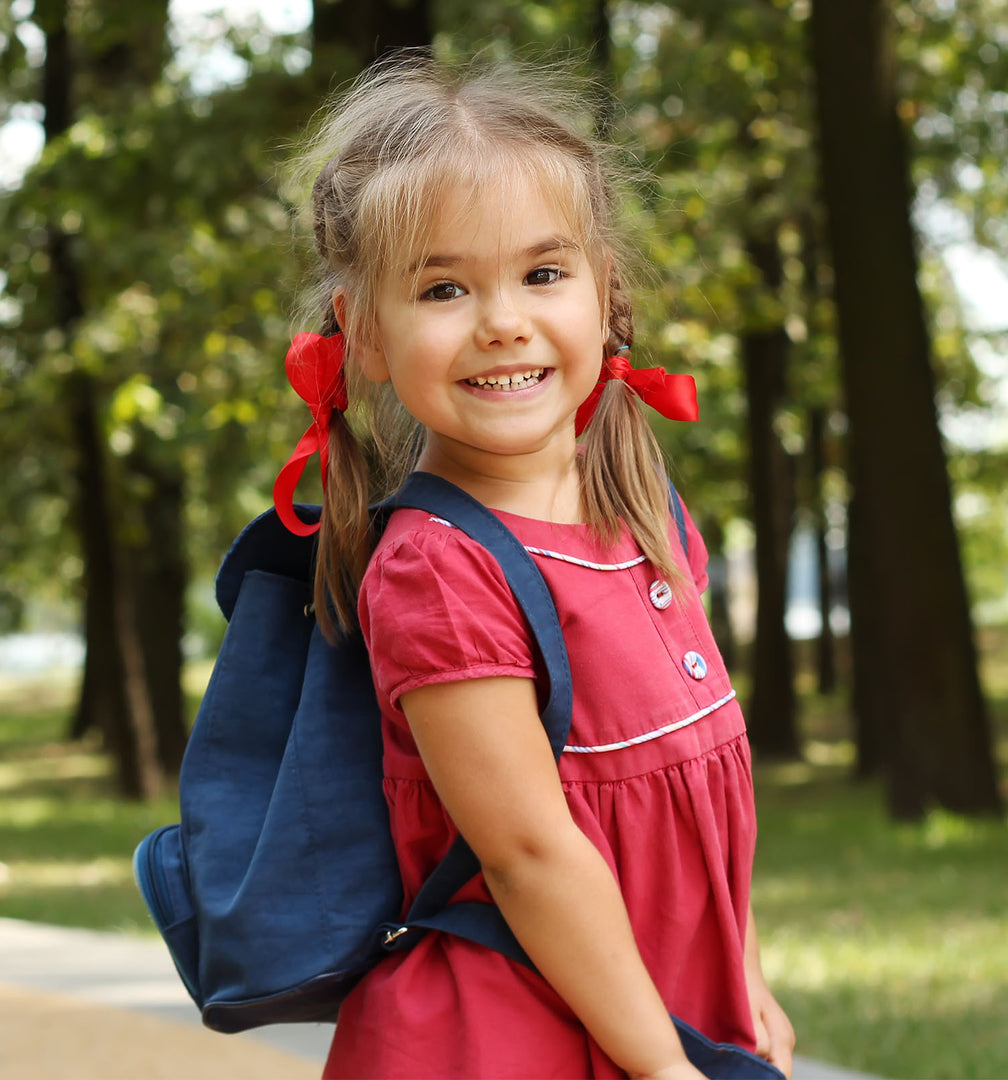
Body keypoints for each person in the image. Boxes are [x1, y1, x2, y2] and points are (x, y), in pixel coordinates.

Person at [272, 55, 795, 1080]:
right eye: (444, 287)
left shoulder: (644, 517)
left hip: (659, 1017)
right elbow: (528, 853)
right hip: (514, 1041)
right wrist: (667, 1065)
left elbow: (695, 814)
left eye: (542, 274)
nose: (502, 318)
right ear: (366, 334)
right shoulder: (440, 570)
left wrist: (741, 972)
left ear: (606, 294)